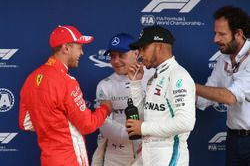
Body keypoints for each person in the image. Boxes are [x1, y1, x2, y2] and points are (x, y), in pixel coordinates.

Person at [19, 25, 112, 166]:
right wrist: (105, 108)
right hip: (70, 159)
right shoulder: (66, 82)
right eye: (79, 47)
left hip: (48, 160)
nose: (82, 53)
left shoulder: (31, 79)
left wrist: (52, 126)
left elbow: (25, 123)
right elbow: (87, 125)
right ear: (66, 48)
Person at [126, 25, 196, 166]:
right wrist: (135, 84)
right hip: (150, 152)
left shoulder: (178, 76)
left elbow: (186, 122)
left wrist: (143, 128)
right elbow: (142, 114)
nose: (140, 54)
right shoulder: (155, 77)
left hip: (169, 152)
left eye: (144, 48)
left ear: (159, 47)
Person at [195, 6, 250, 166]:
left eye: (222, 34)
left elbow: (230, 97)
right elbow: (204, 99)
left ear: (239, 33)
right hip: (234, 138)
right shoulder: (223, 58)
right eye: (215, 33)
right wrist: (179, 90)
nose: (215, 39)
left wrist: (190, 85)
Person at [91, 33, 153, 166]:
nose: (116, 61)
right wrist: (136, 131)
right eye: (112, 56)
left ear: (135, 53)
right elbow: (103, 124)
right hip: (116, 154)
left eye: (121, 55)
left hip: (149, 151)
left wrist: (142, 131)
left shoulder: (153, 78)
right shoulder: (105, 85)